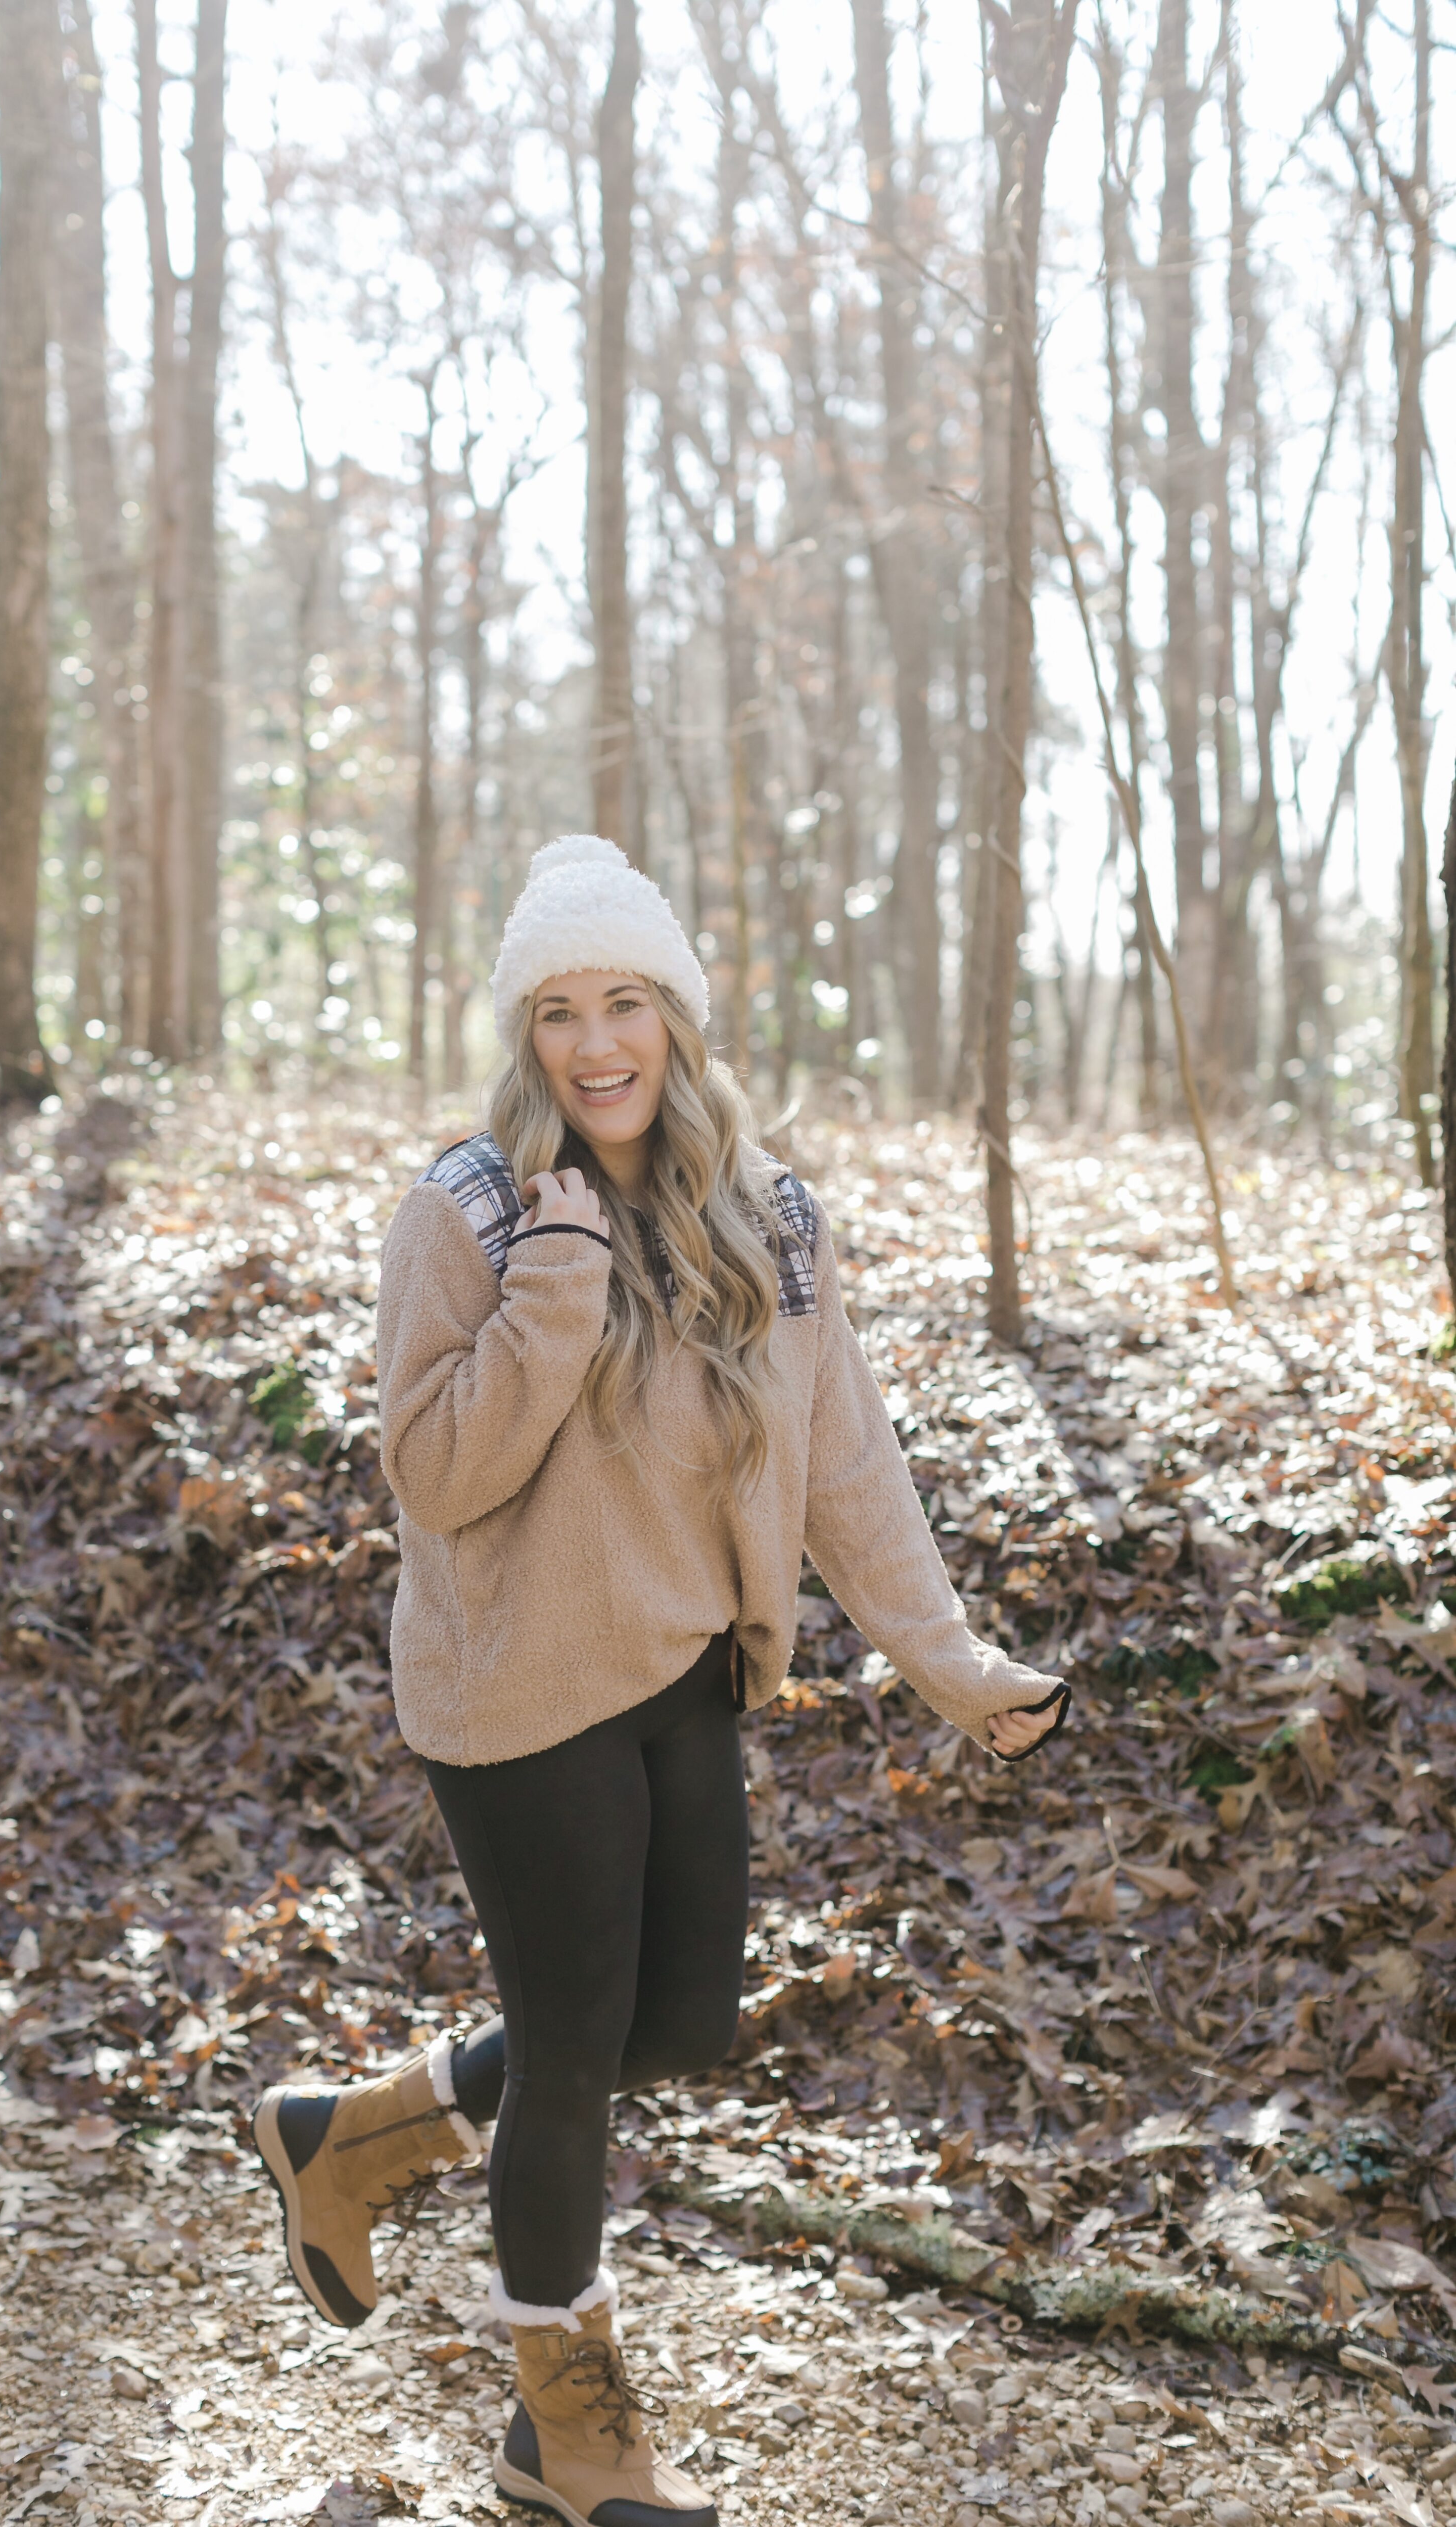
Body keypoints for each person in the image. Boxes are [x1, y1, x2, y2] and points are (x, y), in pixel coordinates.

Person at [253, 835, 1069, 2526]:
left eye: (625, 1001)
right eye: (559, 1010)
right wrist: (556, 1285)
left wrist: (951, 1662)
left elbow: (845, 1462)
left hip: (685, 1673)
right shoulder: (470, 1206)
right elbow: (435, 1472)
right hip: (514, 1691)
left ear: (680, 1019)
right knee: (569, 2055)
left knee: (678, 2026)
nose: (596, 1043)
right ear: (524, 1033)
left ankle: (364, 2135)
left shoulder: (767, 1216)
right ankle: (566, 2420)